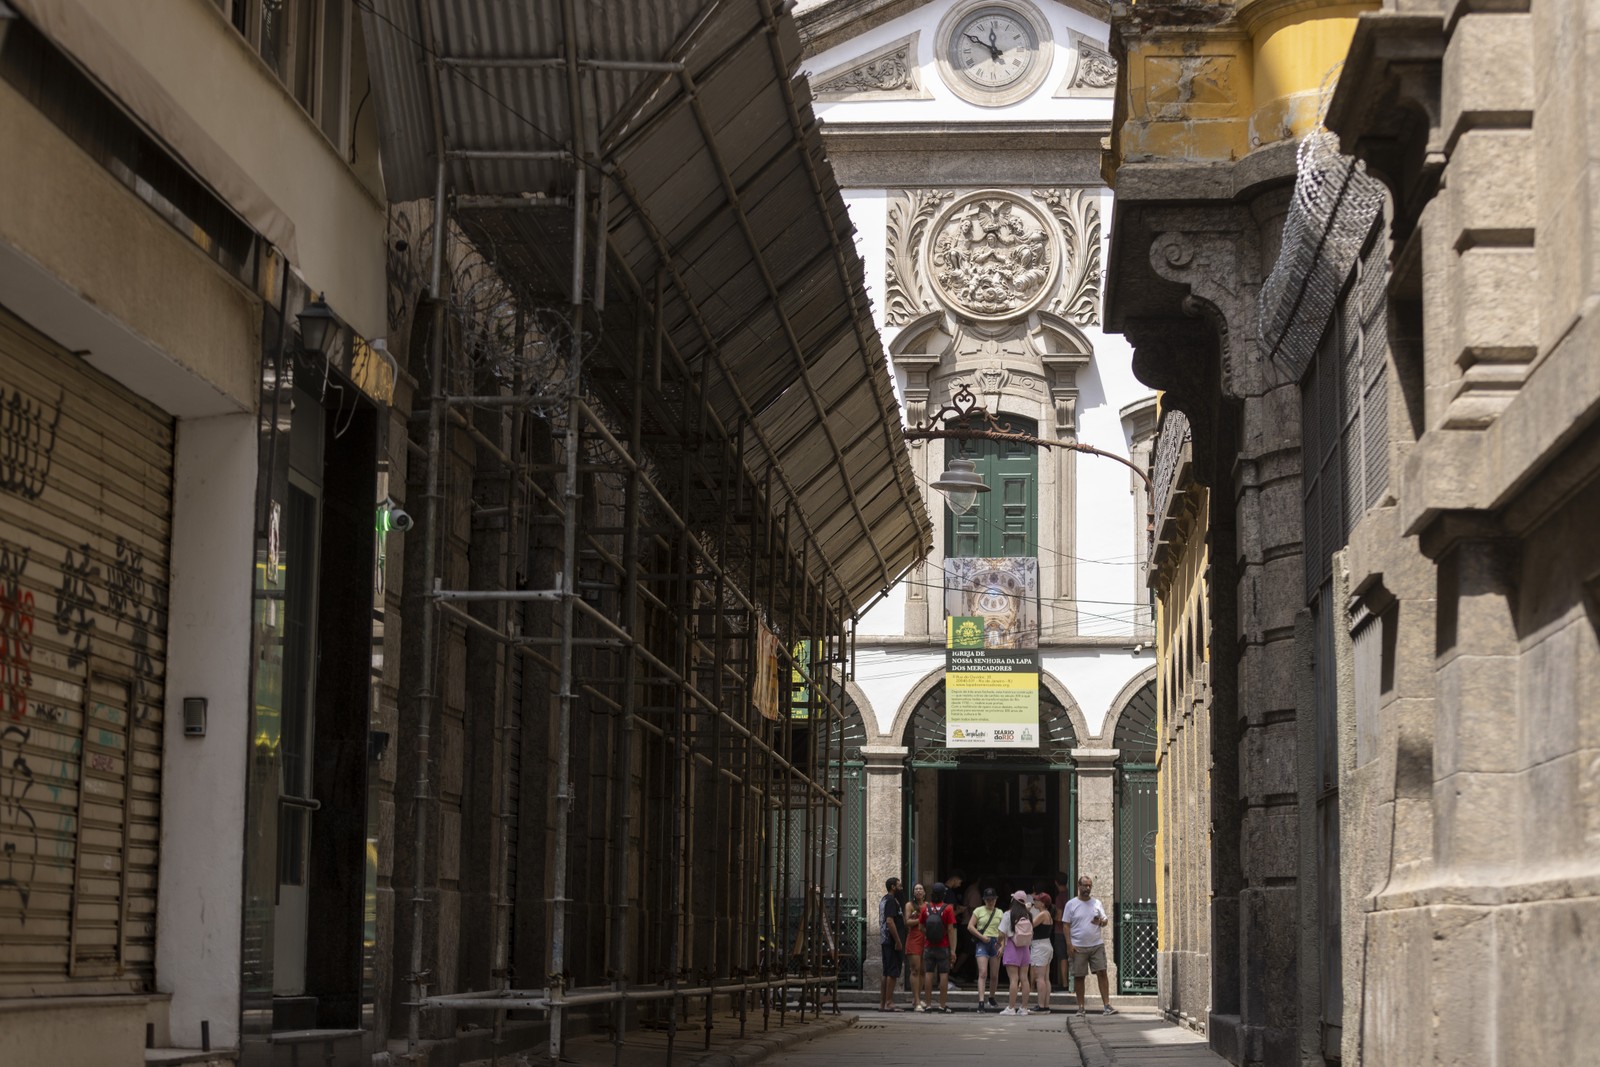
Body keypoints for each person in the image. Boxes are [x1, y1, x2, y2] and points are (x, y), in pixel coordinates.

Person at [1062, 873, 1117, 1016]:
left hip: (1096, 945)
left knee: (1102, 972)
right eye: (1085, 885)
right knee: (1079, 976)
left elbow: (1105, 921)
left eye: (1090, 886)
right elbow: (1066, 925)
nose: (1087, 888)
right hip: (1078, 946)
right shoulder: (1071, 904)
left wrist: (1100, 921)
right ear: (1079, 886)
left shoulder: (1097, 903)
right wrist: (1069, 944)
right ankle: (1081, 1007)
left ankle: (1106, 1005)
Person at [919, 882, 957, 1013]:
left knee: (929, 974)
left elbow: (920, 927)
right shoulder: (948, 908)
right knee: (944, 974)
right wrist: (952, 950)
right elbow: (951, 929)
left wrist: (929, 936)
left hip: (929, 946)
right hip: (943, 946)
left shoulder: (925, 907)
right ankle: (942, 1005)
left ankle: (928, 1005)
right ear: (943, 895)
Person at [966, 887, 1004, 1012]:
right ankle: (981, 1001)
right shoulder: (978, 910)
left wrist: (1002, 946)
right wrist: (981, 937)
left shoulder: (999, 912)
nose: (990, 902)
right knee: (983, 973)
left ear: (996, 899)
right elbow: (970, 926)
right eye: (988, 900)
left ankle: (991, 997)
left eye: (992, 899)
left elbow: (1002, 931)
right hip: (982, 942)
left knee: (994, 975)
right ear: (984, 900)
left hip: (995, 942)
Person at [997, 890, 1033, 1016]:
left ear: (1014, 901)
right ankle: (1024, 1008)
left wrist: (998, 942)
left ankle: (1011, 1007)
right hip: (1025, 948)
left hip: (1012, 946)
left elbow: (1001, 933)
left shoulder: (1008, 914)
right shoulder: (1028, 915)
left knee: (1013, 979)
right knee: (1024, 978)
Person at [879, 877, 906, 1011]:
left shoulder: (885, 899)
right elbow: (890, 921)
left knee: (886, 971)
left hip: (886, 940)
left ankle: (883, 1003)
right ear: (893, 887)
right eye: (899, 885)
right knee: (892, 972)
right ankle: (889, 1002)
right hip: (891, 941)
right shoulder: (890, 901)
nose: (901, 887)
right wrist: (898, 941)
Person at [1029, 891, 1056, 1013]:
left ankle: (1041, 1005)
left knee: (1039, 978)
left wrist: (1026, 911)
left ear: (1043, 903)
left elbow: (1029, 925)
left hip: (1040, 946)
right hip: (1046, 945)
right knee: (1045, 977)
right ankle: (1045, 1005)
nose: (1035, 902)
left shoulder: (1043, 914)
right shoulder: (1047, 914)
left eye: (1037, 900)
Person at [943, 870, 970, 985]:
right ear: (954, 878)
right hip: (949, 926)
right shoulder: (948, 893)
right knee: (950, 952)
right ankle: (945, 980)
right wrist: (959, 911)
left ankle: (945, 979)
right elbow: (948, 914)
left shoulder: (944, 891)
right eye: (959, 882)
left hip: (946, 926)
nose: (959, 885)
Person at [904, 883, 928, 1009]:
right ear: (913, 892)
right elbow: (907, 922)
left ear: (924, 892)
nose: (918, 891)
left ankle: (918, 997)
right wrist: (920, 920)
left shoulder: (927, 905)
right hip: (914, 938)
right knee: (915, 970)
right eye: (916, 889)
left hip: (926, 938)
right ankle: (917, 1001)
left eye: (921, 889)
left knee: (923, 970)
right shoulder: (909, 905)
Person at [1052, 871, 1073, 989]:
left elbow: (1059, 917)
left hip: (1060, 930)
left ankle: (1065, 983)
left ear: (1056, 883)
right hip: (1072, 930)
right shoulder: (1071, 895)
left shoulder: (1060, 897)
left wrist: (1051, 916)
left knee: (1063, 958)